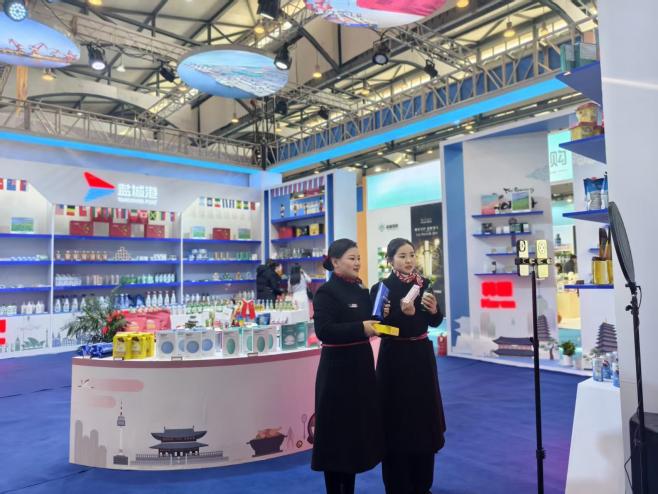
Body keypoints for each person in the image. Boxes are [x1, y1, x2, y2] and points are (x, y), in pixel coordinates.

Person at [371, 237, 446, 494]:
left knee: (423, 420)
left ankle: (423, 484)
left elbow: (435, 322)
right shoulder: (382, 288)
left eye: (411, 255)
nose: (408, 260)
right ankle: (398, 485)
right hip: (395, 360)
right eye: (402, 256)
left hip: (421, 358)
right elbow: (378, 329)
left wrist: (434, 311)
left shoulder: (424, 284)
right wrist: (400, 315)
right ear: (390, 260)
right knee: (396, 421)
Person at [312, 238, 384, 494]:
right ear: (335, 262)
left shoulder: (361, 290)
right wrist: (361, 328)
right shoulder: (326, 292)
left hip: (361, 369)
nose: (357, 263)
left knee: (354, 437)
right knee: (336, 438)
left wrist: (381, 320)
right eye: (352, 258)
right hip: (336, 374)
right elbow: (324, 331)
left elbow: (371, 321)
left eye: (359, 258)